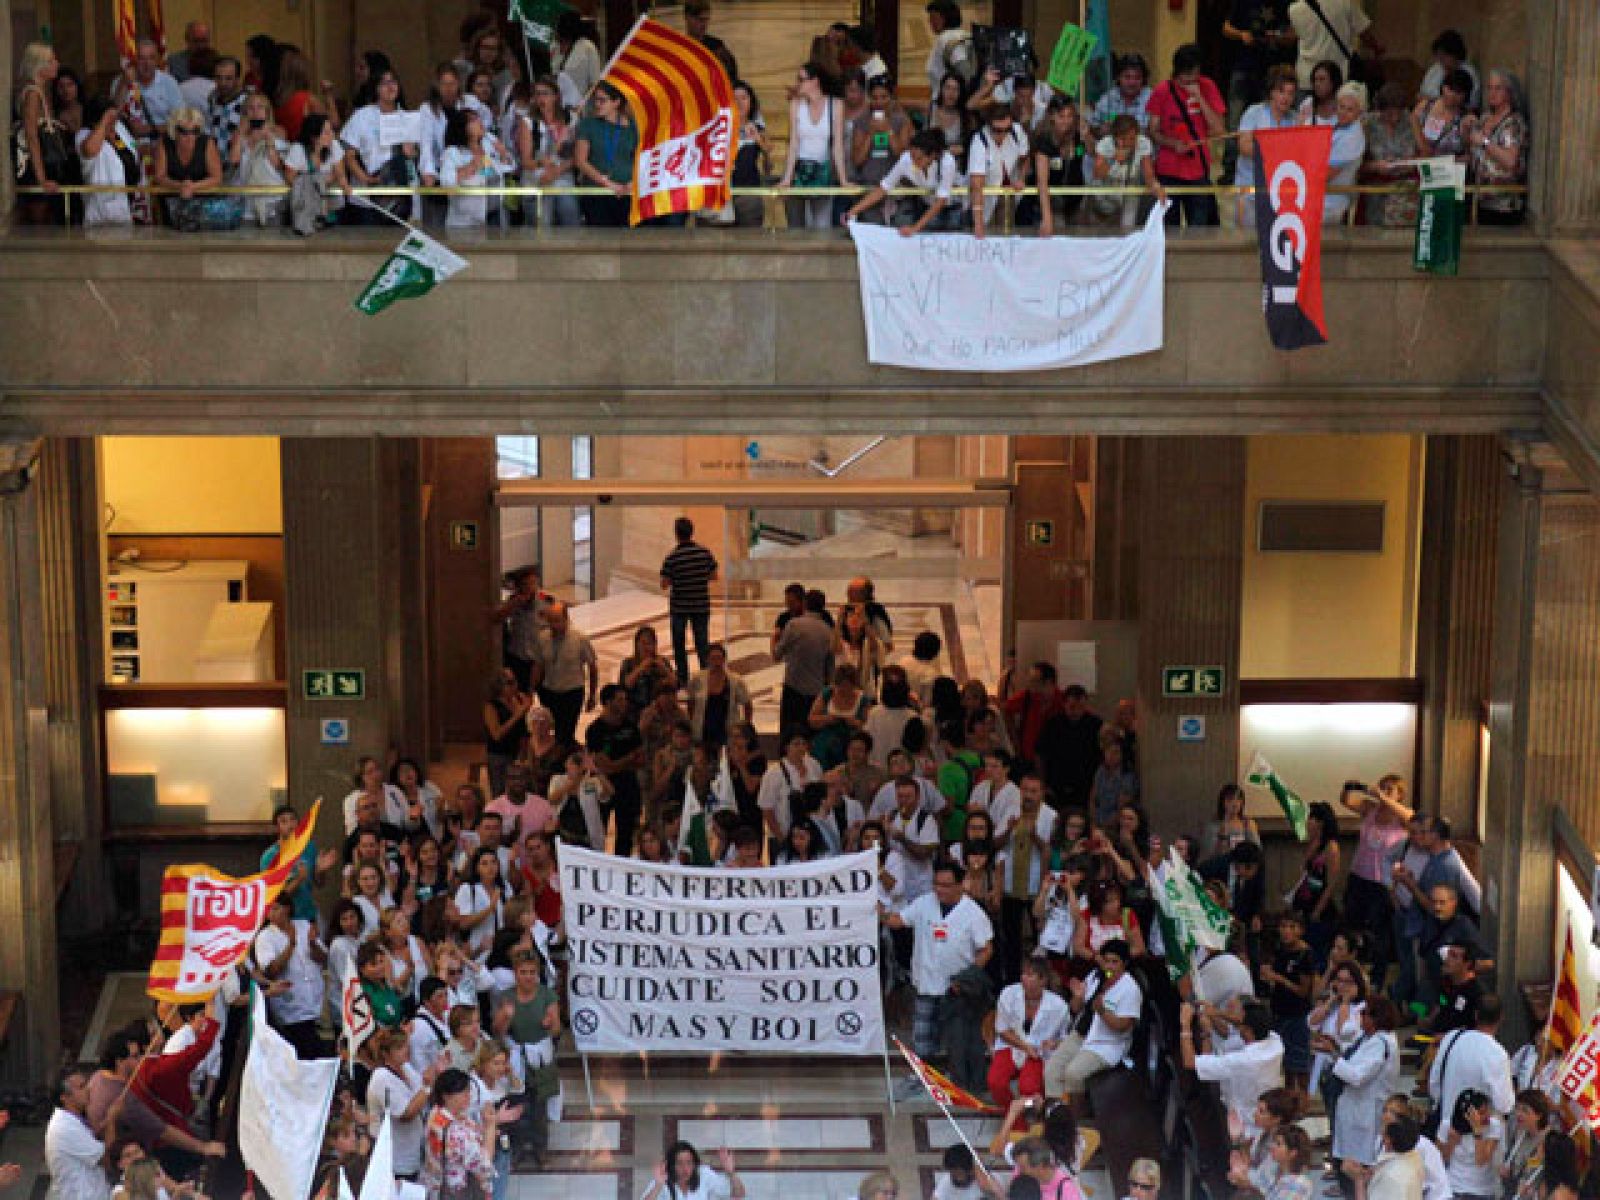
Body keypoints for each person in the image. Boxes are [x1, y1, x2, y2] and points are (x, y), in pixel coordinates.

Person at [883, 861, 995, 1058]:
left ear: (960, 885)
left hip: (956, 990)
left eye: (946, 885)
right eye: (936, 884)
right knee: (922, 1043)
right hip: (925, 983)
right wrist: (878, 912)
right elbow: (898, 921)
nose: (939, 890)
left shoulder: (974, 913)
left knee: (955, 1044)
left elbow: (986, 949)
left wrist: (968, 978)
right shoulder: (924, 902)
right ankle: (922, 1082)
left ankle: (953, 1083)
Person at [1043, 938, 1141, 1107]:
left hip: (1106, 1044)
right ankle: (1055, 1118)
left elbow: (1123, 1026)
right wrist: (1078, 997)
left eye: (1114, 962)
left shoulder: (1130, 989)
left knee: (1073, 1073)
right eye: (1106, 961)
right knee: (1051, 1070)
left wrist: (1102, 1011)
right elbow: (1075, 1009)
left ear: (1124, 964)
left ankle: (1075, 1123)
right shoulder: (1095, 976)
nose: (1109, 966)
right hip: (1080, 1035)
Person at [1181, 998, 1285, 1141]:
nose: (1235, 1023)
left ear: (1248, 1030)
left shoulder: (1245, 1061)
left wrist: (1185, 1025)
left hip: (1244, 1124)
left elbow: (1190, 1062)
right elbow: (1236, 1025)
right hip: (1252, 1112)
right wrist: (1215, 1012)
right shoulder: (1275, 1040)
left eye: (1240, 1023)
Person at [1144, 43, 1224, 227]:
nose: (1189, 82)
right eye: (1184, 78)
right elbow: (1153, 131)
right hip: (1168, 169)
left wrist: (1200, 98)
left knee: (1201, 227)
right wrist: (1173, 143)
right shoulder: (1163, 90)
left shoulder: (1207, 87)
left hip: (1198, 169)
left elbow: (1219, 129)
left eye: (1193, 76)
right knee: (1168, 227)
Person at [1341, 776, 1413, 972]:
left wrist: (1385, 798)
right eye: (1383, 788)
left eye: (1390, 790)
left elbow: (1412, 818)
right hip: (1358, 876)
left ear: (1400, 795)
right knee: (1351, 925)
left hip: (1382, 882)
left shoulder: (1402, 818)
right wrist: (1351, 786)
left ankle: (1378, 975)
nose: (1384, 792)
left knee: (1379, 931)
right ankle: (1352, 968)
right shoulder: (1370, 809)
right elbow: (1346, 801)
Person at [1330, 997, 1402, 1182]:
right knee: (1352, 1157)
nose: (1360, 1017)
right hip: (1357, 1106)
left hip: (1366, 1109)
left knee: (1361, 1163)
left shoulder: (1380, 1043)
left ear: (1376, 1018)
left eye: (1364, 1013)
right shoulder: (1369, 1039)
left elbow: (1357, 1076)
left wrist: (1334, 1055)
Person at [1427, 993, 1515, 1142]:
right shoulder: (1498, 1054)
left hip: (1446, 1131)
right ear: (1501, 1018)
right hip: (1478, 1139)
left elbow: (1434, 1083)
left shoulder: (1451, 1038)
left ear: (1476, 1015)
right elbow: (1504, 1104)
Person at [778, 62, 851, 231]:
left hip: (822, 169)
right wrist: (787, 178)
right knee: (795, 226)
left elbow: (837, 146)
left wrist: (843, 179)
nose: (797, 84)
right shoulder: (795, 105)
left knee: (822, 225)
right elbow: (793, 143)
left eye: (801, 79)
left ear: (815, 82)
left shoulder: (836, 105)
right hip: (799, 168)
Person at [253, 893, 329, 1058]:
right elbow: (272, 971)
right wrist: (291, 945)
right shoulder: (265, 937)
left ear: (287, 908)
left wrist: (313, 944)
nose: (271, 914)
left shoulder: (304, 925)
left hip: (317, 1003)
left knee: (325, 1053)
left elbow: (324, 958)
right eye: (269, 910)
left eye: (276, 909)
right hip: (291, 1011)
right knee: (304, 1055)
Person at [989, 957, 1070, 1109]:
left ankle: (1030, 1111)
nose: (1023, 978)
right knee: (995, 1082)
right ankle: (1014, 1116)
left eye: (1029, 975)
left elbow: (1066, 1038)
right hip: (1012, 1045)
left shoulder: (1059, 1006)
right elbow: (1002, 1030)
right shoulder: (1008, 993)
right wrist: (1025, 1047)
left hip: (1039, 1052)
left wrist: (1054, 1043)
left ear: (1043, 980)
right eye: (1023, 973)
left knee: (1028, 1088)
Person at [14, 43, 74, 225]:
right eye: (51, 60)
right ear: (39, 66)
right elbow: (32, 136)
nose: (57, 63)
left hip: (41, 166)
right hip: (33, 167)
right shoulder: (32, 94)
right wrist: (42, 179)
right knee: (39, 220)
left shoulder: (40, 92)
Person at [1235, 64, 1300, 226]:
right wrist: (1276, 150)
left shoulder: (1295, 119)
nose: (1286, 98)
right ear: (1271, 92)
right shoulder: (1254, 113)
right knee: (1247, 243)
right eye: (1281, 92)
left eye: (1290, 93)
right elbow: (1244, 147)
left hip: (1281, 193)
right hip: (1251, 189)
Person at [368, 1028, 436, 1179]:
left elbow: (422, 1096)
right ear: (386, 1054)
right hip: (395, 1159)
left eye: (406, 1045)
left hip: (414, 1151)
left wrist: (433, 1076)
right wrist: (427, 1086)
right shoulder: (381, 1078)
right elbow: (406, 1113)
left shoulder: (406, 1067)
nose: (406, 1050)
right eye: (399, 1048)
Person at [420, 1068, 498, 1198]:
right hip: (458, 1193)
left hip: (436, 1188)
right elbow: (484, 1167)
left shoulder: (436, 1112)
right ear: (446, 1095)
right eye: (462, 1092)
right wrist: (491, 1126)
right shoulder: (456, 1132)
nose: (468, 1095)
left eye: (468, 1090)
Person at [660, 517, 719, 689]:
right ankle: (705, 675)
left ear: (677, 534)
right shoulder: (704, 553)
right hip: (701, 604)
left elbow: (664, 584)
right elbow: (714, 575)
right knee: (702, 642)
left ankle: (683, 678)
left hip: (679, 607)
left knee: (679, 644)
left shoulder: (672, 557)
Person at [530, 600, 598, 745]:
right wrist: (531, 689)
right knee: (550, 730)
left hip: (572, 692)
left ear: (566, 619)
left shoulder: (579, 639)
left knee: (566, 732)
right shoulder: (543, 638)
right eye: (551, 621)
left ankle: (565, 760)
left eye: (557, 621)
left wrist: (592, 695)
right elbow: (538, 665)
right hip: (548, 692)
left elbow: (592, 667)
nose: (554, 625)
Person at [1467, 71, 1528, 226]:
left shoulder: (1513, 123)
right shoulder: (1486, 117)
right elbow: (1474, 153)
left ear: (1509, 92)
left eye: (1498, 88)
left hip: (1502, 203)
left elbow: (1510, 161)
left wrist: (1485, 142)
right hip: (1479, 197)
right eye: (1490, 88)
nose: (1492, 93)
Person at [439, 106, 516, 228]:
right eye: (473, 120)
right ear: (461, 127)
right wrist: (471, 167)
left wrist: (503, 154)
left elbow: (502, 172)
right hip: (466, 222)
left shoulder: (487, 147)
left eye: (478, 118)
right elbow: (446, 185)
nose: (479, 121)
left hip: (495, 217)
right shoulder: (453, 152)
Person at [1087, 113, 1164, 229]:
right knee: (1101, 231)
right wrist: (1114, 160)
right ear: (1116, 137)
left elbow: (1149, 174)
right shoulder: (1105, 144)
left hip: (1130, 186)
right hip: (1105, 190)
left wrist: (1156, 186)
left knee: (1127, 228)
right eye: (1124, 138)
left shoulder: (1143, 143)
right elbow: (1097, 173)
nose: (1129, 142)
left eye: (1132, 138)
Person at [967, 102, 1031, 238]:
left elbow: (1025, 158)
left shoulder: (1016, 131)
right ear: (989, 125)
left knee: (1006, 237)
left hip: (1008, 192)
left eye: (1007, 129)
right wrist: (978, 223)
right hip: (984, 197)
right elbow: (976, 184)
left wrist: (1021, 178)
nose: (1003, 134)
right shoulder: (979, 142)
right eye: (998, 130)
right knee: (984, 236)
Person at [46, 1066, 110, 1200]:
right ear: (64, 1097)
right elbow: (105, 1159)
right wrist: (112, 1121)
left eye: (86, 1084)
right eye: (81, 1087)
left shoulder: (74, 1119)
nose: (88, 1089)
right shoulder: (65, 1126)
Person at [1037, 685, 1102, 815]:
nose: (1076, 711)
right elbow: (1040, 754)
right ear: (1064, 704)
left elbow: (1101, 757)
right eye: (1072, 707)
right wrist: (1042, 782)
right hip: (1056, 784)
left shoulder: (1095, 725)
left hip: (1085, 785)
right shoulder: (1053, 724)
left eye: (1081, 707)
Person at [1288, 0, 1380, 92]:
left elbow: (1295, 36)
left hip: (1307, 77)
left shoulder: (1294, 9)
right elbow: (1364, 33)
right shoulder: (1345, 3)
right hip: (1338, 75)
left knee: (1306, 105)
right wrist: (1377, 48)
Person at [1032, 97, 1092, 235]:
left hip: (1075, 198)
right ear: (1052, 116)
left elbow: (1092, 152)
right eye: (1061, 116)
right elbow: (1042, 182)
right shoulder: (1044, 141)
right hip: (1052, 202)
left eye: (1070, 116)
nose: (1066, 121)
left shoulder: (1078, 137)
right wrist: (1047, 218)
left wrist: (1087, 136)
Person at [117, 38, 185, 139]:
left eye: (151, 58)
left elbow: (181, 120)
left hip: (162, 141)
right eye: (141, 58)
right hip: (128, 141)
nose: (147, 63)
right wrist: (124, 84)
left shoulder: (169, 82)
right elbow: (113, 114)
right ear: (135, 60)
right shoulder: (121, 81)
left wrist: (149, 129)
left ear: (157, 60)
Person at [1325, 81, 1369, 224]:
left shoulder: (1353, 137)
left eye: (1349, 109)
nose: (1343, 112)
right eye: (1341, 107)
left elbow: (1326, 174)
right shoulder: (1334, 123)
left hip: (1331, 202)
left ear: (1359, 112)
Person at [1412, 69, 1472, 160]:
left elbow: (1470, 154)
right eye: (1450, 89)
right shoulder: (1425, 106)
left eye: (1458, 92)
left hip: (1450, 168)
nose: (1452, 95)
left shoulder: (1466, 118)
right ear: (1443, 87)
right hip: (1421, 164)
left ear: (1465, 95)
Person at [1089, 53, 1153, 137]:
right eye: (1127, 77)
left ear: (1143, 79)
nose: (1132, 82)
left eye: (1137, 78)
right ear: (1119, 77)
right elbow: (1094, 128)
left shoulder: (1152, 98)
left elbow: (1156, 133)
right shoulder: (1108, 98)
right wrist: (1101, 130)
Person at [1419, 30, 1481, 111]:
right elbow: (1421, 94)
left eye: (1444, 56)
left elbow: (1471, 106)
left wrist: (1434, 101)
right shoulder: (1436, 68)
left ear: (1455, 54)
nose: (1440, 60)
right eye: (1438, 56)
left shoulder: (1469, 74)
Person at [924, 0, 974, 96]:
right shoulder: (964, 34)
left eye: (933, 17)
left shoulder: (947, 38)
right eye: (930, 18)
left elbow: (965, 72)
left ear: (945, 18)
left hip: (947, 104)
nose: (930, 22)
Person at [553, 11, 603, 103]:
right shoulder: (555, 47)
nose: (554, 29)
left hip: (580, 107)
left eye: (556, 25)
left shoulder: (587, 47)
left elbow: (595, 82)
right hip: (558, 106)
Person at [205, 56, 248, 161]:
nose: (222, 83)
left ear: (238, 79)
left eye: (228, 78)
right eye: (218, 77)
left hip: (237, 165)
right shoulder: (213, 98)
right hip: (216, 163)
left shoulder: (248, 102)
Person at [685, 0, 739, 80]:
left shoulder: (717, 46)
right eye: (700, 20)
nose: (704, 24)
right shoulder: (679, 47)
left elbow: (731, 72)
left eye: (706, 20)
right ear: (688, 18)